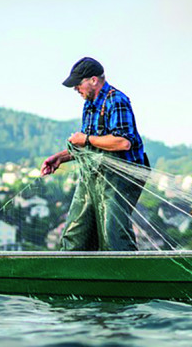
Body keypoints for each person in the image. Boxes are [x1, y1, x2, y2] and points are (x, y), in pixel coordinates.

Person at [41, 57, 147, 251]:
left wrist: (85, 139)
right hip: (93, 176)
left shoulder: (117, 100)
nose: (76, 90)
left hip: (120, 179)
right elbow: (91, 147)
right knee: (75, 233)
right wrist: (60, 158)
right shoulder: (89, 105)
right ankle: (76, 277)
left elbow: (123, 142)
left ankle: (124, 278)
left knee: (113, 236)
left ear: (93, 80)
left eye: (78, 85)